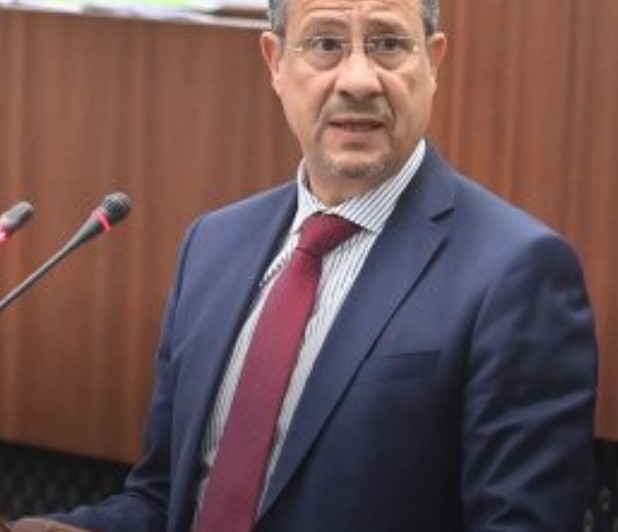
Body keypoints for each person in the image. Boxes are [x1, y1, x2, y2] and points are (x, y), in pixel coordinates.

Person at [12, 0, 597, 530]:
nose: (359, 79)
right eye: (325, 44)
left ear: (432, 61)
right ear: (275, 62)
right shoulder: (213, 245)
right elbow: (164, 501)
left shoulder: (517, 273)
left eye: (389, 44)